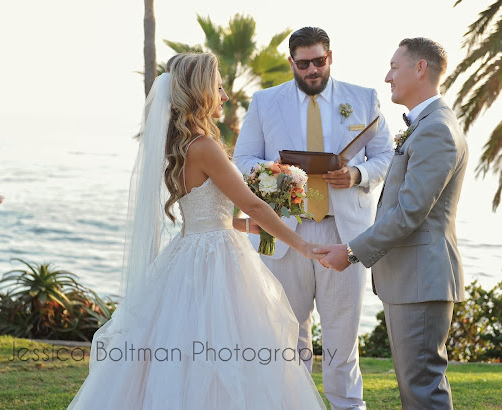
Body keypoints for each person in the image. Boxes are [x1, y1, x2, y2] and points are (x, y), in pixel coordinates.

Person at [68, 52, 325, 409]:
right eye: (218, 88)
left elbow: (202, 213)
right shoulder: (205, 147)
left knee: (183, 346)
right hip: (217, 259)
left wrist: (239, 224)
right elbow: (253, 204)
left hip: (189, 250)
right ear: (201, 92)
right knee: (228, 347)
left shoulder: (182, 146)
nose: (224, 96)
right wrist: (304, 247)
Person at [234, 27, 393, 409]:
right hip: (283, 232)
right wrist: (278, 174)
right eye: (303, 64)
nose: (311, 70)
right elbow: (243, 160)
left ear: (330, 57)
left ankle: (348, 405)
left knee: (343, 334)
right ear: (291, 62)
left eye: (318, 61)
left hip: (345, 233)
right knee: (287, 333)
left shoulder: (363, 98)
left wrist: (357, 174)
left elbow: (387, 155)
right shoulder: (264, 102)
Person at [315, 38, 469, 409]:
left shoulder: (436, 130)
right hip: (411, 279)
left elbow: (410, 212)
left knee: (423, 390)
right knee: (415, 389)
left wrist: (351, 251)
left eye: (394, 67)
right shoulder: (428, 124)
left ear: (421, 69)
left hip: (420, 280)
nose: (387, 77)